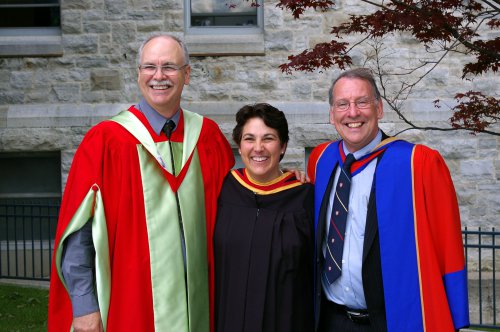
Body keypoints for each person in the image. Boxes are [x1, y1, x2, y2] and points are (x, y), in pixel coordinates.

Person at [48, 34, 234, 332]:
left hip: (200, 307)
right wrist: (85, 307)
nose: (158, 76)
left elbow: (240, 205)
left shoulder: (207, 137)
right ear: (138, 75)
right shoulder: (107, 141)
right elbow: (78, 234)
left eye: (169, 67)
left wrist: (283, 179)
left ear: (186, 75)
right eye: (150, 67)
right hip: (131, 306)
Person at [307, 68, 470, 332]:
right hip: (330, 320)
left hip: (392, 322)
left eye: (362, 102)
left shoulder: (419, 164)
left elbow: (448, 244)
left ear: (379, 109)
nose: (353, 112)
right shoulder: (321, 159)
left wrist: (455, 316)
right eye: (342, 104)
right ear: (331, 114)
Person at [214, 103, 315, 332]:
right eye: (249, 139)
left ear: (283, 146)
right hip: (228, 319)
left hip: (286, 321)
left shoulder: (304, 197)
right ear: (239, 147)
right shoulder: (223, 190)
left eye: (268, 138)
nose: (258, 148)